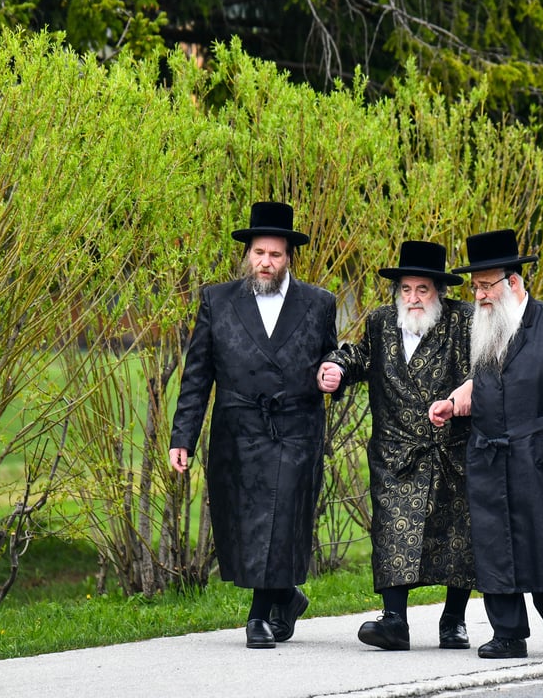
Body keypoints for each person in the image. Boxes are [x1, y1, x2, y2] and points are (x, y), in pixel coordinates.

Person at [169, 201, 338, 650]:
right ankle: (287, 594)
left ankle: (259, 616)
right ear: (248, 254)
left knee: (279, 521)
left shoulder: (319, 303)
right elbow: (197, 374)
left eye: (275, 255)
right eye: (259, 253)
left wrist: (332, 376)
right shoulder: (217, 300)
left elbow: (331, 361)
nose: (266, 262)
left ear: (289, 259)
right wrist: (182, 436)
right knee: (242, 527)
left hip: (293, 428)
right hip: (236, 431)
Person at [429, 228, 543, 659]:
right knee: (493, 545)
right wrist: (453, 402)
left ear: (514, 282)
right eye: (476, 286)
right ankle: (508, 634)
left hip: (539, 454)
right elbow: (480, 383)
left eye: (487, 285)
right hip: (488, 452)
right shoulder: (481, 326)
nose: (480, 295)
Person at [318, 240, 476, 651]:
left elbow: (489, 370)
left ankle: (454, 620)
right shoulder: (381, 322)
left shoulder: (464, 321)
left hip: (451, 447)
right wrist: (336, 366)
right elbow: (360, 356)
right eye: (406, 289)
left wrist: (467, 396)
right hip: (395, 450)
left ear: (439, 291)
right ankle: (394, 621)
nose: (413, 298)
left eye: (422, 289)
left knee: (458, 533)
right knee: (392, 531)